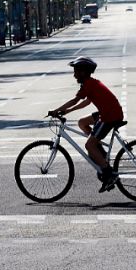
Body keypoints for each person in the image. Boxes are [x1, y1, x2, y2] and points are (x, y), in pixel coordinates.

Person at [48, 57, 125, 192]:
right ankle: (99, 151)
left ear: (83, 72)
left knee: (89, 145)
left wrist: (57, 110)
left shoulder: (89, 84)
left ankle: (108, 172)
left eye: (76, 71)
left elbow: (75, 100)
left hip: (110, 116)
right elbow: (86, 102)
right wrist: (67, 111)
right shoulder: (90, 83)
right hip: (107, 112)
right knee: (82, 123)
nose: (74, 75)